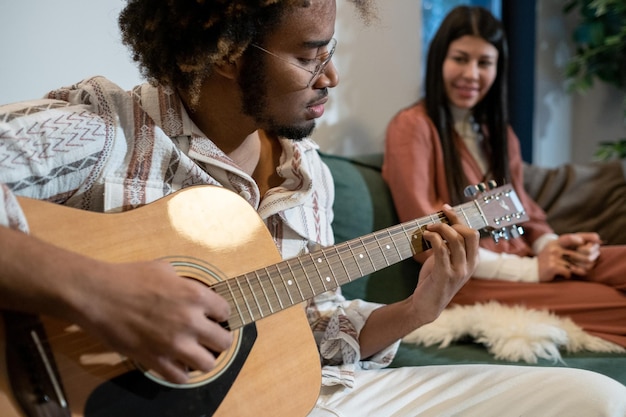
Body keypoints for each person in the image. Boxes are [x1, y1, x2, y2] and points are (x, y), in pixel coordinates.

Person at [0, 1, 624, 416]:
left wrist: (417, 309)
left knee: (593, 399)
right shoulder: (108, 129)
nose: (330, 79)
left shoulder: (309, 174)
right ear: (218, 52)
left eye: (330, 54)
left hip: (316, 398)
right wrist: (104, 293)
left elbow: (316, 327)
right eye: (307, 56)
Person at [383, 4, 626, 353]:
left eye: (484, 63)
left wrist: (553, 245)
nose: (472, 73)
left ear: (498, 69)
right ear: (438, 59)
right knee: (614, 303)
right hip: (468, 281)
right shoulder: (412, 127)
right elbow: (426, 242)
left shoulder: (499, 136)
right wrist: (530, 273)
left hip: (527, 262)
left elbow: (526, 211)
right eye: (460, 58)